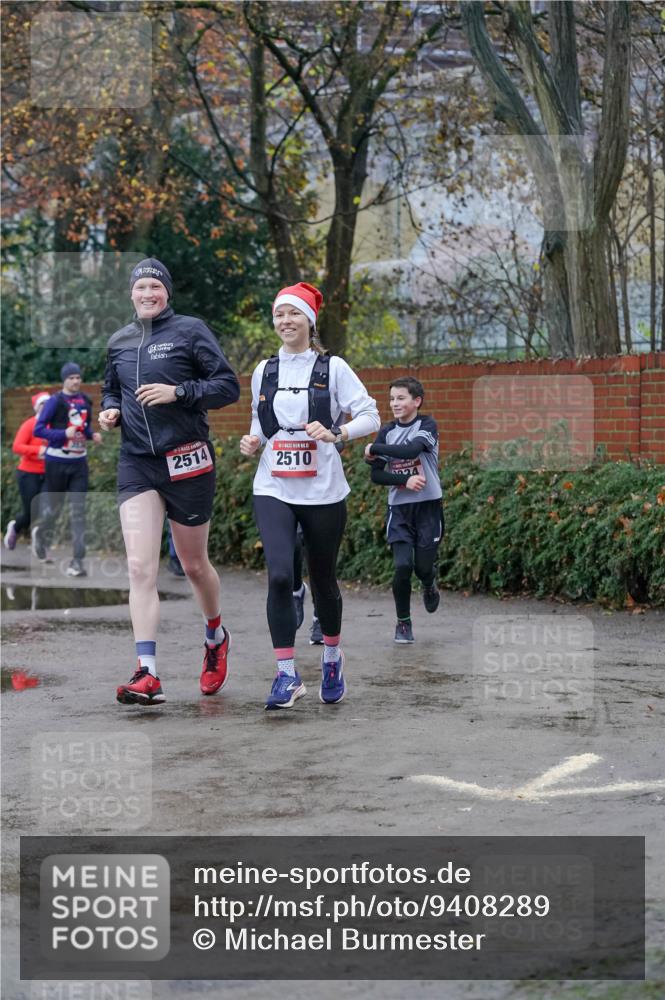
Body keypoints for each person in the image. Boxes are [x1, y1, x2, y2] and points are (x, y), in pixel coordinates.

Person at [99, 257, 240, 706]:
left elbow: (227, 386)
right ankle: (147, 673)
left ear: (167, 293)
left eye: (154, 288)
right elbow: (111, 388)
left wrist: (178, 392)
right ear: (131, 294)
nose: (147, 295)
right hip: (138, 463)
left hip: (188, 461)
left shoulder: (190, 330)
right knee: (140, 568)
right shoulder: (119, 341)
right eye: (140, 288)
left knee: (194, 565)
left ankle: (215, 638)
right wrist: (110, 411)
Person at [240, 281, 380, 710]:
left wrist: (337, 431)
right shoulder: (264, 370)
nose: (285, 321)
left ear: (309, 321)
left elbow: (371, 415)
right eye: (279, 314)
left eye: (293, 314)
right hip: (273, 485)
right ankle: (286, 675)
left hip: (322, 489)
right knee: (281, 575)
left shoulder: (333, 367)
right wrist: (252, 441)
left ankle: (333, 657)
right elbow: (260, 421)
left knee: (322, 580)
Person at [365, 376, 443, 643]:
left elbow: (411, 451)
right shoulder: (387, 431)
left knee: (422, 568)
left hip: (428, 508)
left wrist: (373, 448)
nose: (394, 403)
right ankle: (403, 623)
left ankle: (429, 583)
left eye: (401, 398)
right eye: (392, 399)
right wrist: (404, 480)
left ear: (416, 401)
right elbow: (377, 475)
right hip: (399, 510)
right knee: (401, 566)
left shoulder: (427, 426)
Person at [32, 364, 102, 575]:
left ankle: (77, 562)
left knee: (78, 512)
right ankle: (41, 534)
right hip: (56, 462)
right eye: (71, 377)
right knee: (54, 510)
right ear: (64, 380)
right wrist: (64, 434)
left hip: (79, 463)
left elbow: (84, 427)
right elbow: (39, 429)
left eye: (78, 377)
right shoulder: (55, 401)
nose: (75, 381)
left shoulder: (85, 401)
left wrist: (92, 435)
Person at [4, 392, 50, 551]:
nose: (45, 408)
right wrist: (39, 450)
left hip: (50, 473)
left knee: (49, 509)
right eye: (42, 405)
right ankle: (15, 528)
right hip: (28, 473)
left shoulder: (55, 425)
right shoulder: (30, 424)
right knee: (31, 512)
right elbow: (17, 446)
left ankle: (40, 544)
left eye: (48, 405)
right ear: (37, 407)